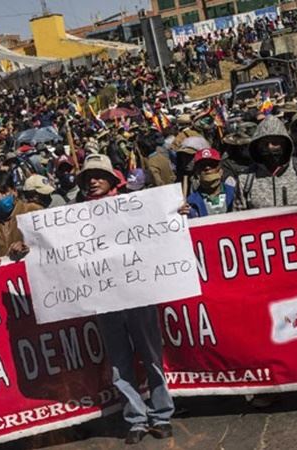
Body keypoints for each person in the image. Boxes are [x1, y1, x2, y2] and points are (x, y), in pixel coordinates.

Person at [77, 153, 174, 444]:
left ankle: (162, 414)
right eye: (87, 177)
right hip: (105, 297)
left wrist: (174, 212)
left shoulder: (136, 203)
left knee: (151, 355)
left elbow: (160, 225)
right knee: (119, 362)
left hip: (139, 292)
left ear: (112, 179)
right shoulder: (74, 215)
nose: (93, 181)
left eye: (98, 175)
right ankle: (135, 418)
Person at [235, 116, 297, 210]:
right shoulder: (245, 180)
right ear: (257, 146)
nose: (270, 147)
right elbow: (237, 219)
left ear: (285, 144)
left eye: (275, 142)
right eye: (264, 143)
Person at [182, 148, 236, 217]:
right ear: (197, 173)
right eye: (202, 165)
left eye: (212, 164)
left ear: (220, 170)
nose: (207, 168)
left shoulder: (234, 193)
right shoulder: (191, 202)